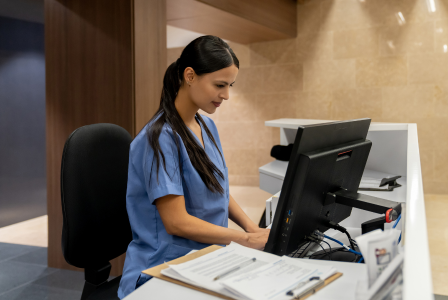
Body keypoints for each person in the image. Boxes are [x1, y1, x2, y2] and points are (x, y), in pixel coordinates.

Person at [118, 35, 270, 299]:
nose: (226, 95)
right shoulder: (158, 138)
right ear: (190, 76)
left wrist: (251, 228)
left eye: (230, 85)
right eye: (220, 85)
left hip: (206, 258)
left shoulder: (207, 127)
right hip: (162, 268)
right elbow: (176, 222)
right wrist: (245, 241)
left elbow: (217, 188)